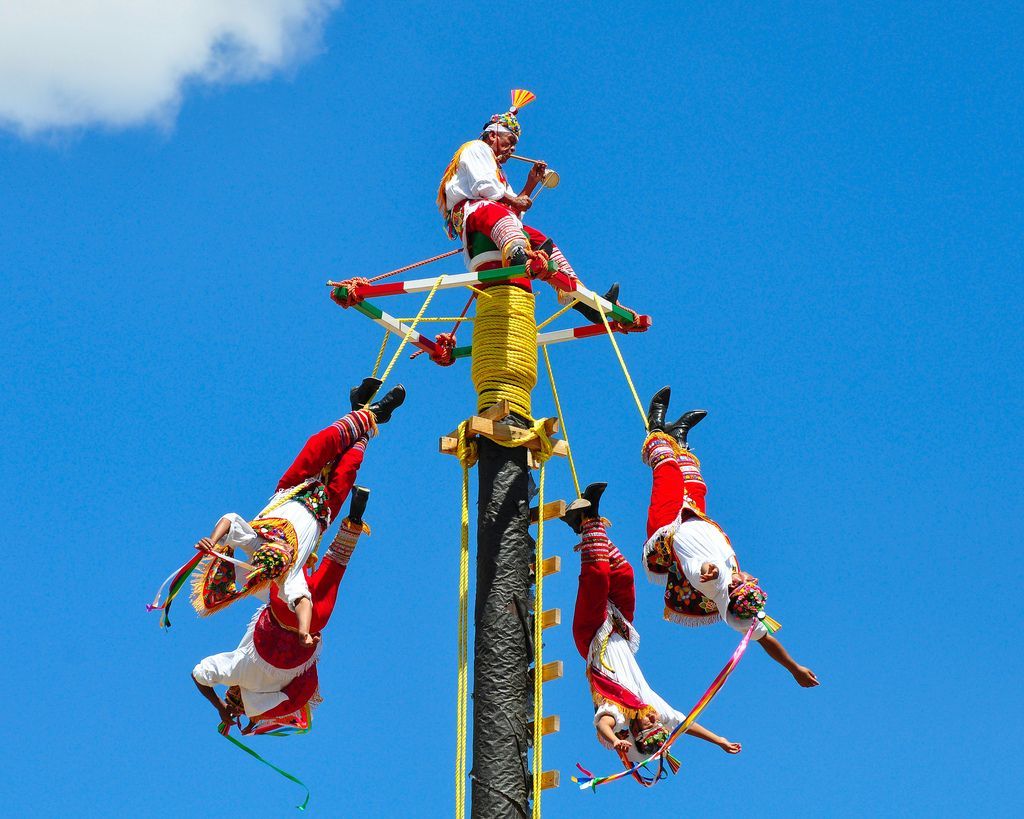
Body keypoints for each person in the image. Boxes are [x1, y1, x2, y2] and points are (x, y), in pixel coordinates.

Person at [189, 377, 404, 645]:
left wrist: (212, 538)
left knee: (320, 444)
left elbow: (230, 520)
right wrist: (304, 631)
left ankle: (367, 412)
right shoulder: (286, 576)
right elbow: (302, 600)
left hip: (293, 488)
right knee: (349, 463)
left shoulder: (254, 543)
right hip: (323, 510)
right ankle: (366, 413)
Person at [641, 386, 820, 688]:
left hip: (668, 526)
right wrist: (794, 668)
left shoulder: (713, 582)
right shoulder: (740, 600)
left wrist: (709, 572)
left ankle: (656, 425)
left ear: (734, 591)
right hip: (697, 517)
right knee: (696, 485)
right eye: (749, 582)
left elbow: (703, 572)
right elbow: (766, 641)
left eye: (742, 583)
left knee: (667, 470)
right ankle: (680, 438)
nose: (746, 577)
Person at [564, 483, 741, 773]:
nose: (653, 720)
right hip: (619, 626)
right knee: (623, 574)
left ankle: (585, 524)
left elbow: (603, 723)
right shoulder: (653, 707)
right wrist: (718, 740)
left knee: (597, 577)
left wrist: (615, 741)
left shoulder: (619, 713)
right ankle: (588, 520)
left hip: (592, 634)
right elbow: (684, 722)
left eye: (648, 725)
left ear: (634, 731)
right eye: (656, 724)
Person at [192, 485, 372, 732]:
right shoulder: (236, 668)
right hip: (282, 610)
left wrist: (252, 721)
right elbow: (199, 675)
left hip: (316, 622)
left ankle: (354, 520)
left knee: (336, 564)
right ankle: (310, 535)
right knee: (284, 570)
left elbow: (300, 693)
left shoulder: (265, 702)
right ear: (233, 688)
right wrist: (220, 706)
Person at [436, 89, 617, 322]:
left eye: (514, 145)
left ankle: (581, 299)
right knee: (496, 212)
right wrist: (514, 200)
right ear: (493, 135)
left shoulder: (498, 173)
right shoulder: (475, 148)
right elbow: (486, 188)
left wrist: (530, 184)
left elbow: (513, 210)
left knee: (537, 236)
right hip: (474, 215)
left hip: (491, 218)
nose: (512, 149)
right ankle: (518, 256)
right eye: (509, 141)